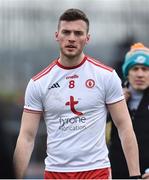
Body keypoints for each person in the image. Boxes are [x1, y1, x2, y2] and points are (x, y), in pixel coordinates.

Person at [13, 8, 141, 179]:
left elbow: (124, 127)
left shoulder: (106, 76)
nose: (72, 38)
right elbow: (27, 137)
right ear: (57, 35)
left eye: (78, 33)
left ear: (87, 38)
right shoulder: (39, 83)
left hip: (97, 171)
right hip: (55, 173)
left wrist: (135, 175)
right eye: (66, 32)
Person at [108, 42, 149, 179]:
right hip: (116, 174)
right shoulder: (112, 99)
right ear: (127, 73)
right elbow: (100, 137)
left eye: (145, 69)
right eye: (135, 69)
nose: (140, 74)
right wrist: (113, 108)